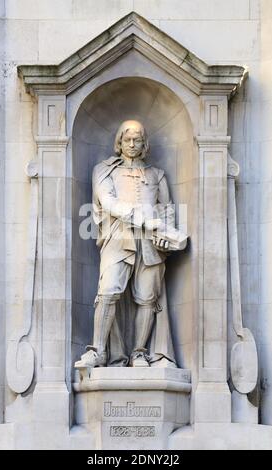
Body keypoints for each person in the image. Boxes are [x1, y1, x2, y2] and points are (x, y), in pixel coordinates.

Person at [75, 120, 182, 369]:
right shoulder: (104, 170)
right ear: (119, 142)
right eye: (127, 140)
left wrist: (166, 235)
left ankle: (140, 352)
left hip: (150, 243)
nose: (132, 144)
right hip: (118, 236)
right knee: (109, 290)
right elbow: (109, 203)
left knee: (147, 297)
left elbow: (167, 211)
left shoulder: (157, 175)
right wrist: (145, 219)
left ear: (145, 143)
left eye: (137, 140)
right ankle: (98, 351)